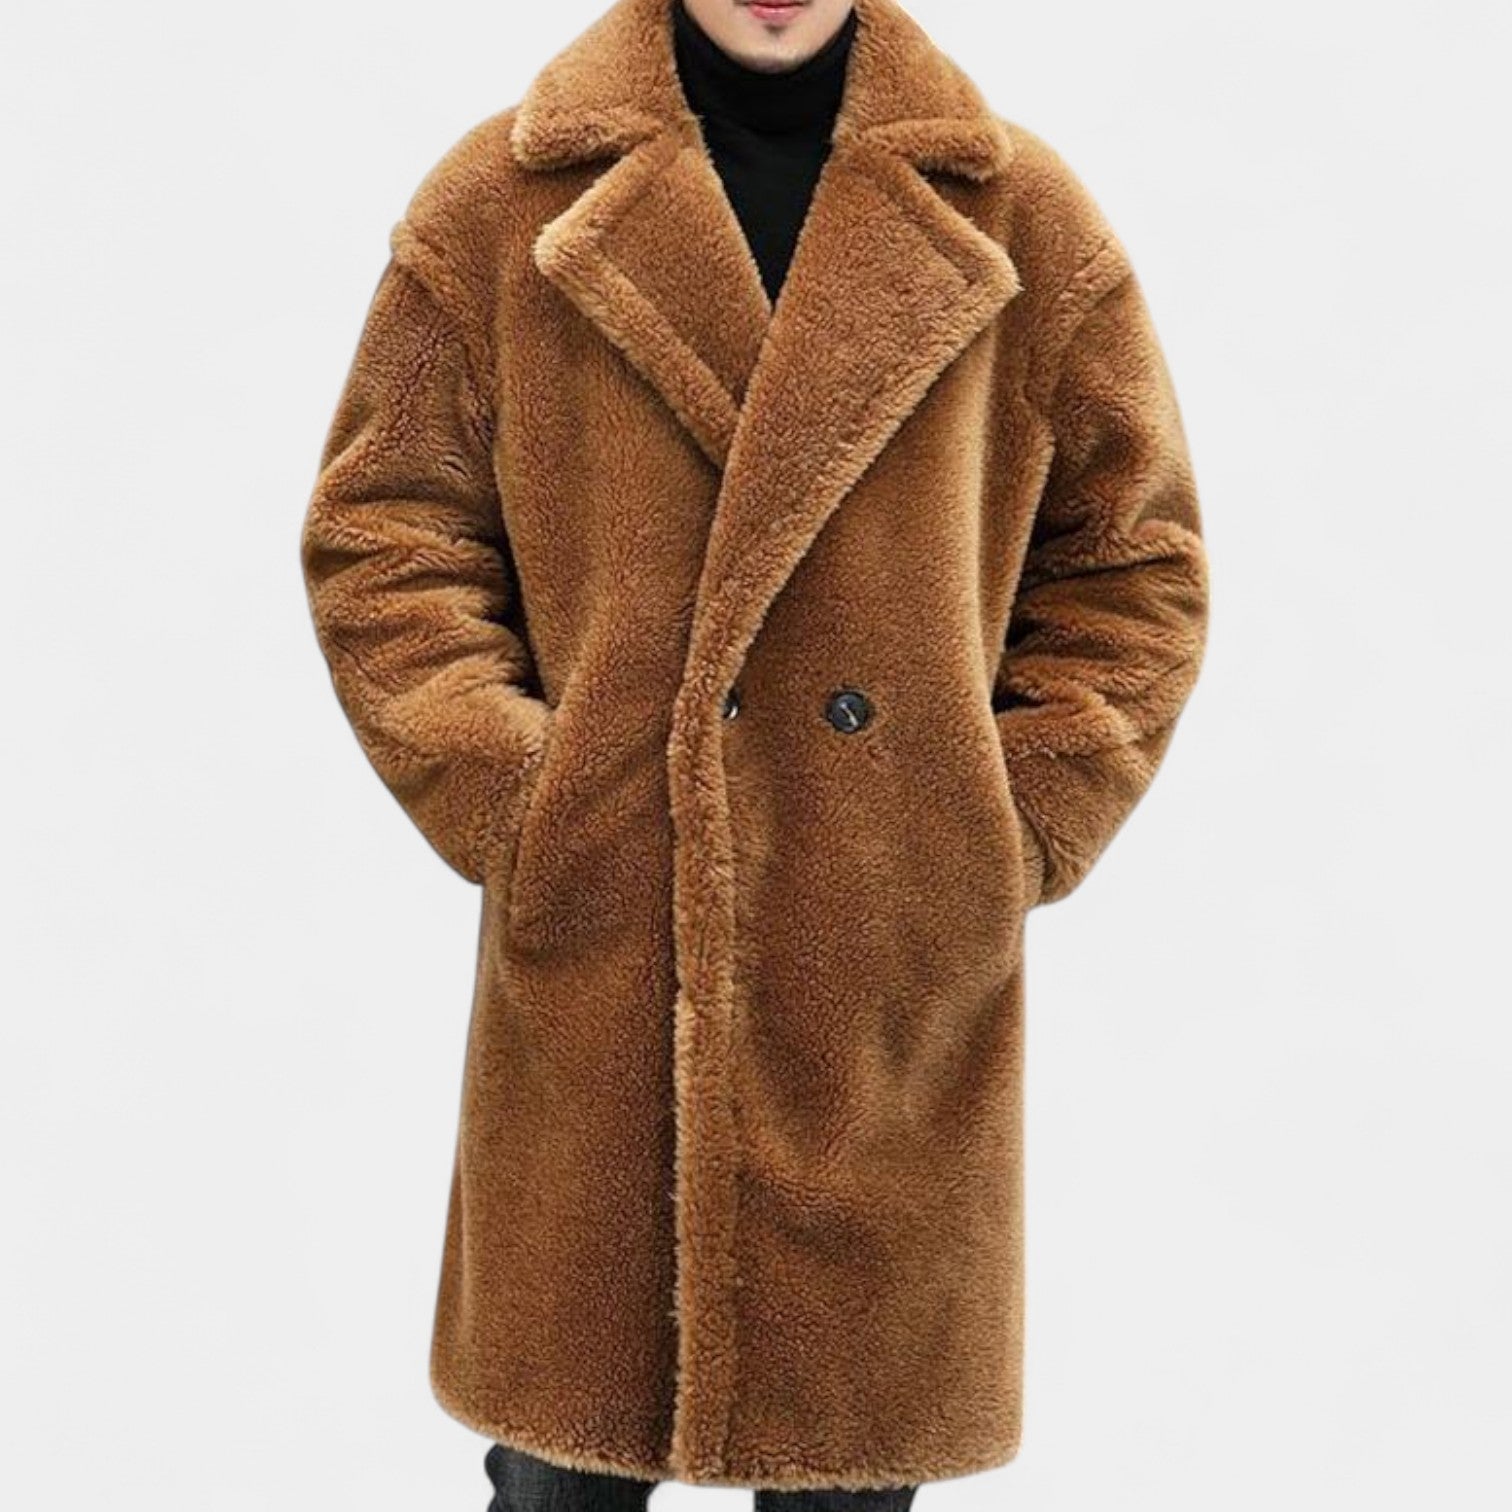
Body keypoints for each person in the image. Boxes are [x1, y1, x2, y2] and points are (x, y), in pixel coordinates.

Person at [299, 0, 1211, 1507]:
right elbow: (388, 536)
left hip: (884, 959)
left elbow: (1133, 564)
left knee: (851, 1468)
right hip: (608, 948)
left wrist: (1007, 822)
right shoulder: (503, 204)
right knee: (562, 1468)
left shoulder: (1021, 218)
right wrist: (525, 798)